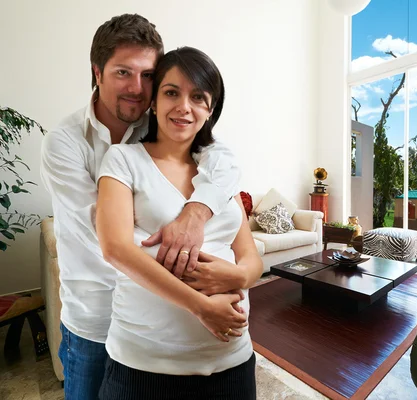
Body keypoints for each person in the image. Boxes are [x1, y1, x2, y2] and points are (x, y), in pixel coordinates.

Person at [40, 14, 241, 399]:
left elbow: (226, 163)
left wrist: (194, 214)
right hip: (96, 322)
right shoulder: (65, 143)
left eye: (148, 75)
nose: (137, 88)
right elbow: (111, 237)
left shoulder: (163, 128)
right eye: (122, 73)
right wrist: (202, 296)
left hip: (160, 325)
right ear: (97, 73)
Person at [95, 46, 263, 400]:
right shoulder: (124, 160)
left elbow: (250, 256)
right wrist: (201, 307)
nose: (184, 106)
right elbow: (116, 249)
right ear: (154, 102)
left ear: (210, 110)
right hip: (145, 368)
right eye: (172, 92)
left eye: (198, 97)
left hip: (231, 362)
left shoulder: (219, 172)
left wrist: (237, 276)